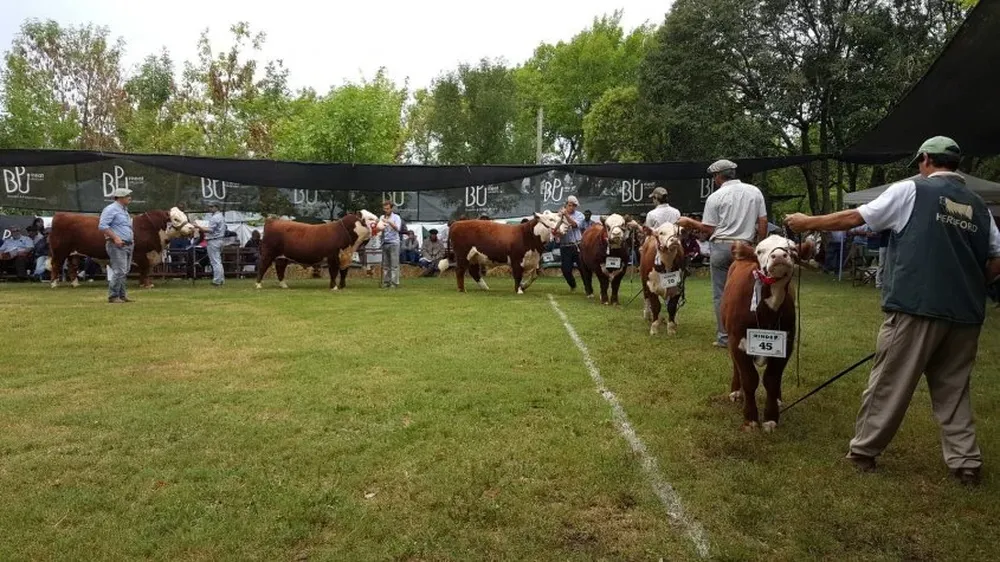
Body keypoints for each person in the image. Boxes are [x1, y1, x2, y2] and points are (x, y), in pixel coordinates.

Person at [785, 136, 1000, 485]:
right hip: (966, 314)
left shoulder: (912, 190)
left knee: (889, 382)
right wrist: (972, 285)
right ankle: (966, 464)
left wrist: (807, 222)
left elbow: (855, 217)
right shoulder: (978, 206)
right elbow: (996, 259)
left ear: (925, 159)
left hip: (916, 306)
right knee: (954, 389)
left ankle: (863, 452)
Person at [675, 159, 767, 347]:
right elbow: (763, 222)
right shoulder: (755, 192)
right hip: (747, 248)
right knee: (751, 292)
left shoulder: (715, 197)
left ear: (718, 177)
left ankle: (725, 337)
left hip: (722, 247)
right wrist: (760, 246)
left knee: (721, 294)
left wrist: (690, 222)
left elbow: (709, 229)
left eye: (713, 177)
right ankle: (750, 333)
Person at [98, 187, 135, 303]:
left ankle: (122, 295)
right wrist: (115, 238)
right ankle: (113, 296)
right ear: (120, 198)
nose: (130, 198)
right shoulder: (111, 209)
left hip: (128, 244)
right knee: (119, 270)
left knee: (125, 270)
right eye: (127, 196)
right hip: (117, 244)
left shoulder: (124, 210)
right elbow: (102, 225)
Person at [558, 195, 586, 291]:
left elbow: (574, 225)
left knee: (583, 268)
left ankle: (587, 287)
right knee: (566, 270)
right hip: (565, 246)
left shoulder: (580, 215)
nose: (572, 207)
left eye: (574, 206)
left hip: (578, 245)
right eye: (570, 205)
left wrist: (566, 215)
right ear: (566, 205)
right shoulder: (559, 215)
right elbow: (555, 229)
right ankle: (573, 285)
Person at [200, 203, 226, 286]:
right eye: (209, 207)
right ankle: (221, 279)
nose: (210, 208)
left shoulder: (215, 217)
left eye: (211, 207)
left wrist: (198, 227)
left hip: (214, 240)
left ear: (216, 207)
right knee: (218, 261)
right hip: (219, 240)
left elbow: (210, 230)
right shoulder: (221, 216)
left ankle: (217, 280)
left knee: (215, 261)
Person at [379, 200, 402, 288]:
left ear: (391, 209)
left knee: (394, 265)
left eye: (387, 208)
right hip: (385, 242)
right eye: (384, 208)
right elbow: (379, 229)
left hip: (394, 242)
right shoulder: (382, 217)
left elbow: (398, 228)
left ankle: (394, 283)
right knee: (386, 265)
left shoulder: (396, 217)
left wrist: (389, 222)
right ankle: (386, 282)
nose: (386, 210)